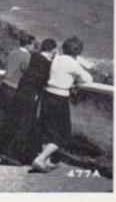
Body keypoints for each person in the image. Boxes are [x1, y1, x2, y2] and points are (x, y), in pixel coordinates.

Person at [32, 36, 93, 172]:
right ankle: (40, 159)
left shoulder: (56, 58)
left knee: (47, 130)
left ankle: (45, 161)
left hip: (47, 95)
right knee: (62, 135)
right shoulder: (72, 64)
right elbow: (88, 79)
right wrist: (79, 67)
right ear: (77, 52)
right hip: (59, 98)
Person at [0, 38, 58, 166]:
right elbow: (43, 80)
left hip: (20, 91)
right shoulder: (46, 64)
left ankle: (13, 151)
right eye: (55, 49)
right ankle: (14, 155)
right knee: (25, 125)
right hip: (31, 95)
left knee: (17, 121)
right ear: (52, 49)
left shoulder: (34, 57)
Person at [0, 32, 36, 155]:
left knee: (0, 117)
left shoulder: (13, 52)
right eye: (33, 44)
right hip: (14, 89)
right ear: (29, 44)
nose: (34, 47)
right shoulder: (27, 57)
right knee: (12, 120)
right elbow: (27, 71)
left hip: (4, 86)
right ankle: (6, 149)